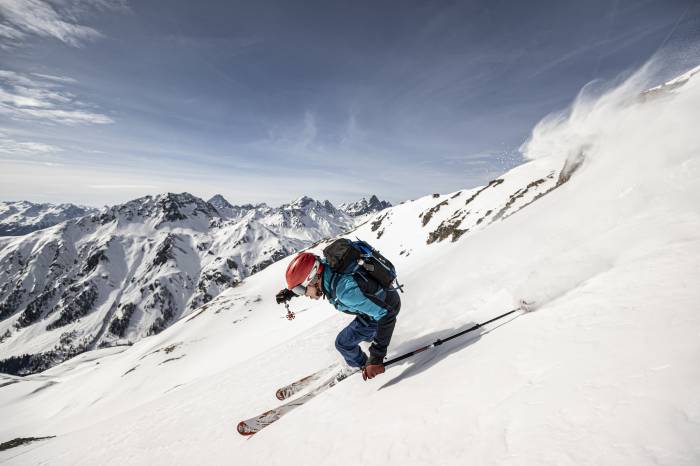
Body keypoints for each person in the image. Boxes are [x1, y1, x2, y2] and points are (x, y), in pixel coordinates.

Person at [276, 251, 401, 380]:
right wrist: (290, 293)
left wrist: (376, 358)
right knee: (365, 336)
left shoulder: (345, 292)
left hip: (384, 308)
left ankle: (364, 366)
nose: (304, 295)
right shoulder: (327, 268)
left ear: (312, 278)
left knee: (343, 343)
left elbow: (386, 315)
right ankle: (374, 345)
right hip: (384, 298)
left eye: (301, 290)